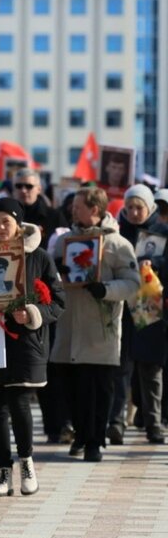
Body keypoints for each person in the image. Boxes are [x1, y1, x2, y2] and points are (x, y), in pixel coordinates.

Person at [0, 198, 65, 497]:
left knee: (19, 404)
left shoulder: (39, 257)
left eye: (6, 222)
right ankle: (3, 472)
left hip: (24, 344)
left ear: (18, 225)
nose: (0, 228)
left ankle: (27, 462)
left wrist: (32, 314)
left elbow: (59, 302)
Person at [50, 186, 139, 461]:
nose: (72, 211)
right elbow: (50, 279)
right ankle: (80, 434)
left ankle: (94, 442)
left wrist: (106, 289)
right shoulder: (66, 241)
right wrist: (58, 272)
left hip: (101, 329)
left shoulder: (117, 244)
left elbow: (133, 283)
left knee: (99, 390)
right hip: (69, 327)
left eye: (78, 207)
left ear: (95, 210)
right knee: (72, 388)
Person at [115, 184, 168, 445]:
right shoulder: (117, 231)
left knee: (150, 368)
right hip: (122, 306)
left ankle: (153, 424)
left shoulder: (162, 231)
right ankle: (115, 423)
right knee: (121, 366)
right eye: (130, 207)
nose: (135, 212)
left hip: (150, 307)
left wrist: (155, 264)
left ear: (150, 208)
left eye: (140, 207)